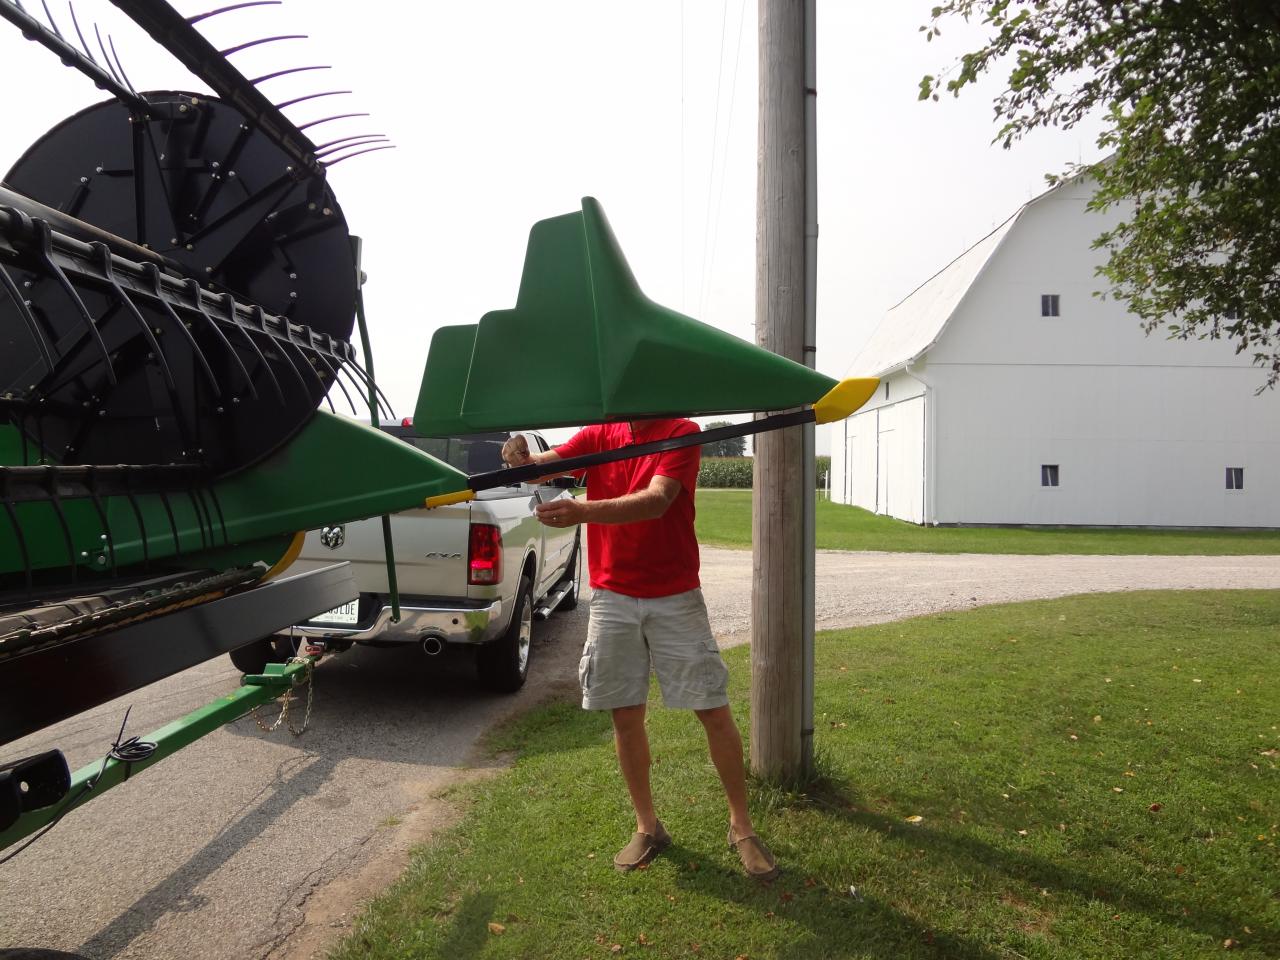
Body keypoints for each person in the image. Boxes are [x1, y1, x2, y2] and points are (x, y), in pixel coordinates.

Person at [501, 420, 779, 881]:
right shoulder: (599, 434)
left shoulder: (682, 431)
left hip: (675, 596)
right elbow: (541, 467)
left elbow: (657, 500)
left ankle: (741, 827)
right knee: (625, 715)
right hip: (612, 596)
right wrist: (520, 459)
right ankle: (648, 827)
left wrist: (581, 511)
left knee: (712, 708)